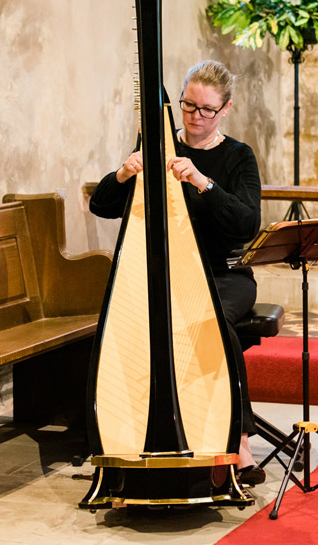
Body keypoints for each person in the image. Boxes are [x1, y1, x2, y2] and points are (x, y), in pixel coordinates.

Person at [88, 59, 265, 486]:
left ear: (225, 110)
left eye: (206, 109)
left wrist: (204, 183)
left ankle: (238, 441)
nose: (195, 117)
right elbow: (102, 206)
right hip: (164, 274)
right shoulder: (159, 142)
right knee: (124, 322)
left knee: (213, 323)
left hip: (225, 276)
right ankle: (126, 433)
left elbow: (246, 223)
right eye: (188, 105)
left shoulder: (238, 156)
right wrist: (124, 172)